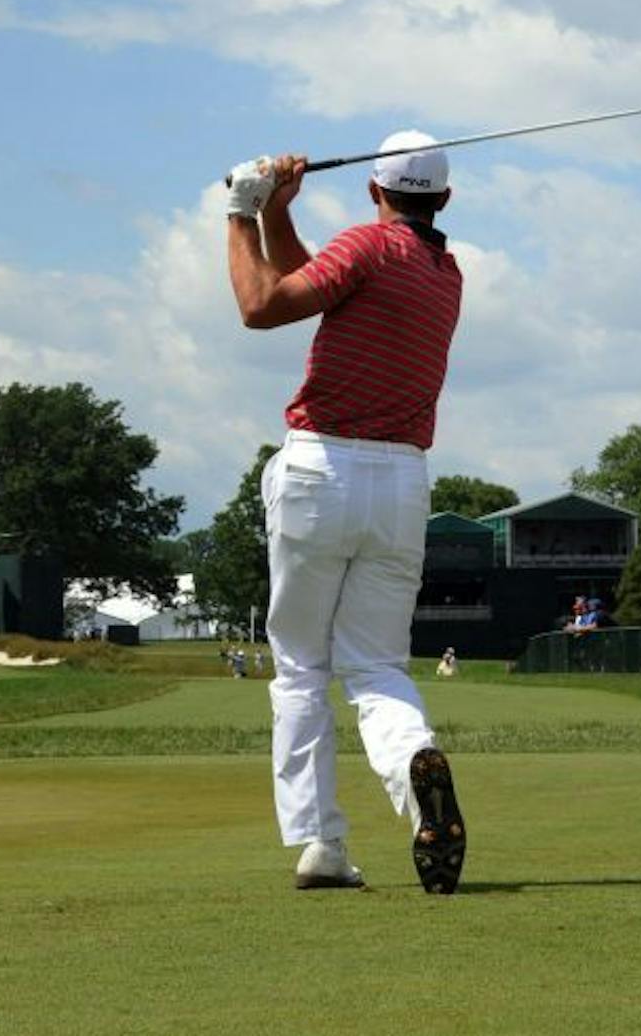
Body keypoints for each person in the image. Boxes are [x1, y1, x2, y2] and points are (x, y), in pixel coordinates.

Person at [224, 136, 468, 895]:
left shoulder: (368, 246)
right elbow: (316, 282)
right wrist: (279, 216)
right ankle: (412, 764)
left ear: (373, 192)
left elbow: (263, 305)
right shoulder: (442, 270)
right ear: (445, 200)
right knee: (375, 666)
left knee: (301, 666)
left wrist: (240, 213)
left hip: (320, 470)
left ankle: (322, 844)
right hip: (400, 483)